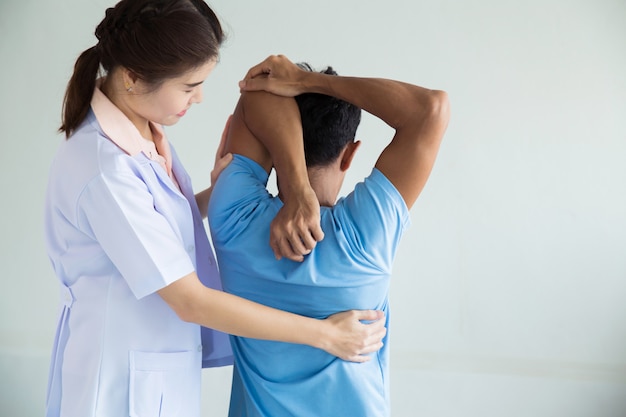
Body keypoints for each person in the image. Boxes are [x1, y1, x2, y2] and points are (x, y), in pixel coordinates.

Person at [43, 2, 386, 416]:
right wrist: (325, 335)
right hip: (119, 377)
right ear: (133, 78)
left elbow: (154, 223)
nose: (200, 98)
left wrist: (211, 195)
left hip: (158, 365)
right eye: (189, 87)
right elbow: (190, 300)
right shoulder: (104, 168)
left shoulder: (143, 131)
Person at [208, 56, 450, 416]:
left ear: (271, 147)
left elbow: (255, 92)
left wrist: (294, 184)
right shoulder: (368, 236)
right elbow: (431, 108)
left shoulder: (233, 216)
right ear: (350, 153)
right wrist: (309, 81)